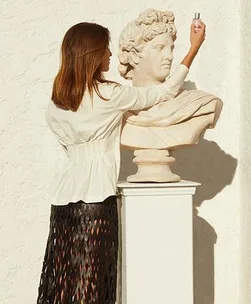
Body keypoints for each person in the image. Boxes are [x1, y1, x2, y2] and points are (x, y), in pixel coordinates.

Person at [37, 19, 206, 303]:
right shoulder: (111, 95)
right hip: (96, 203)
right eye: (105, 49)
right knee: (95, 282)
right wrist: (194, 48)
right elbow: (163, 92)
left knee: (65, 282)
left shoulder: (57, 104)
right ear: (92, 55)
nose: (111, 55)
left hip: (64, 203)